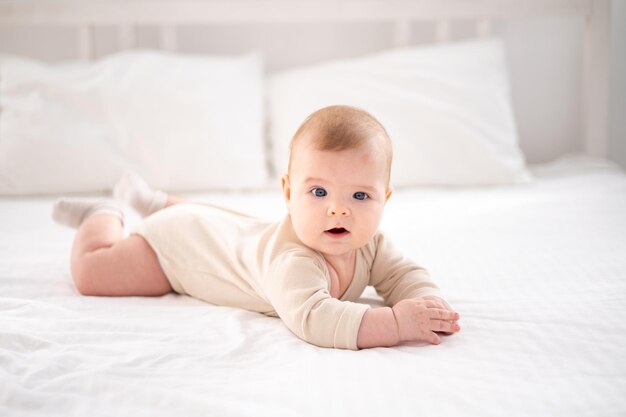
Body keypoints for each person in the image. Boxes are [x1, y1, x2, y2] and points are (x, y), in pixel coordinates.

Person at [52, 105, 460, 350]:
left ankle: (157, 203)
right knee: (93, 272)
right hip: (178, 249)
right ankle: (104, 215)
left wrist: (427, 305)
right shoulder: (294, 261)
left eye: (359, 196)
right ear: (288, 192)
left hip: (215, 227)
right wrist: (396, 323)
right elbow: (315, 318)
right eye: (318, 192)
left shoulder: (372, 245)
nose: (338, 211)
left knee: (220, 222)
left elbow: (403, 273)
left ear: (384, 200)